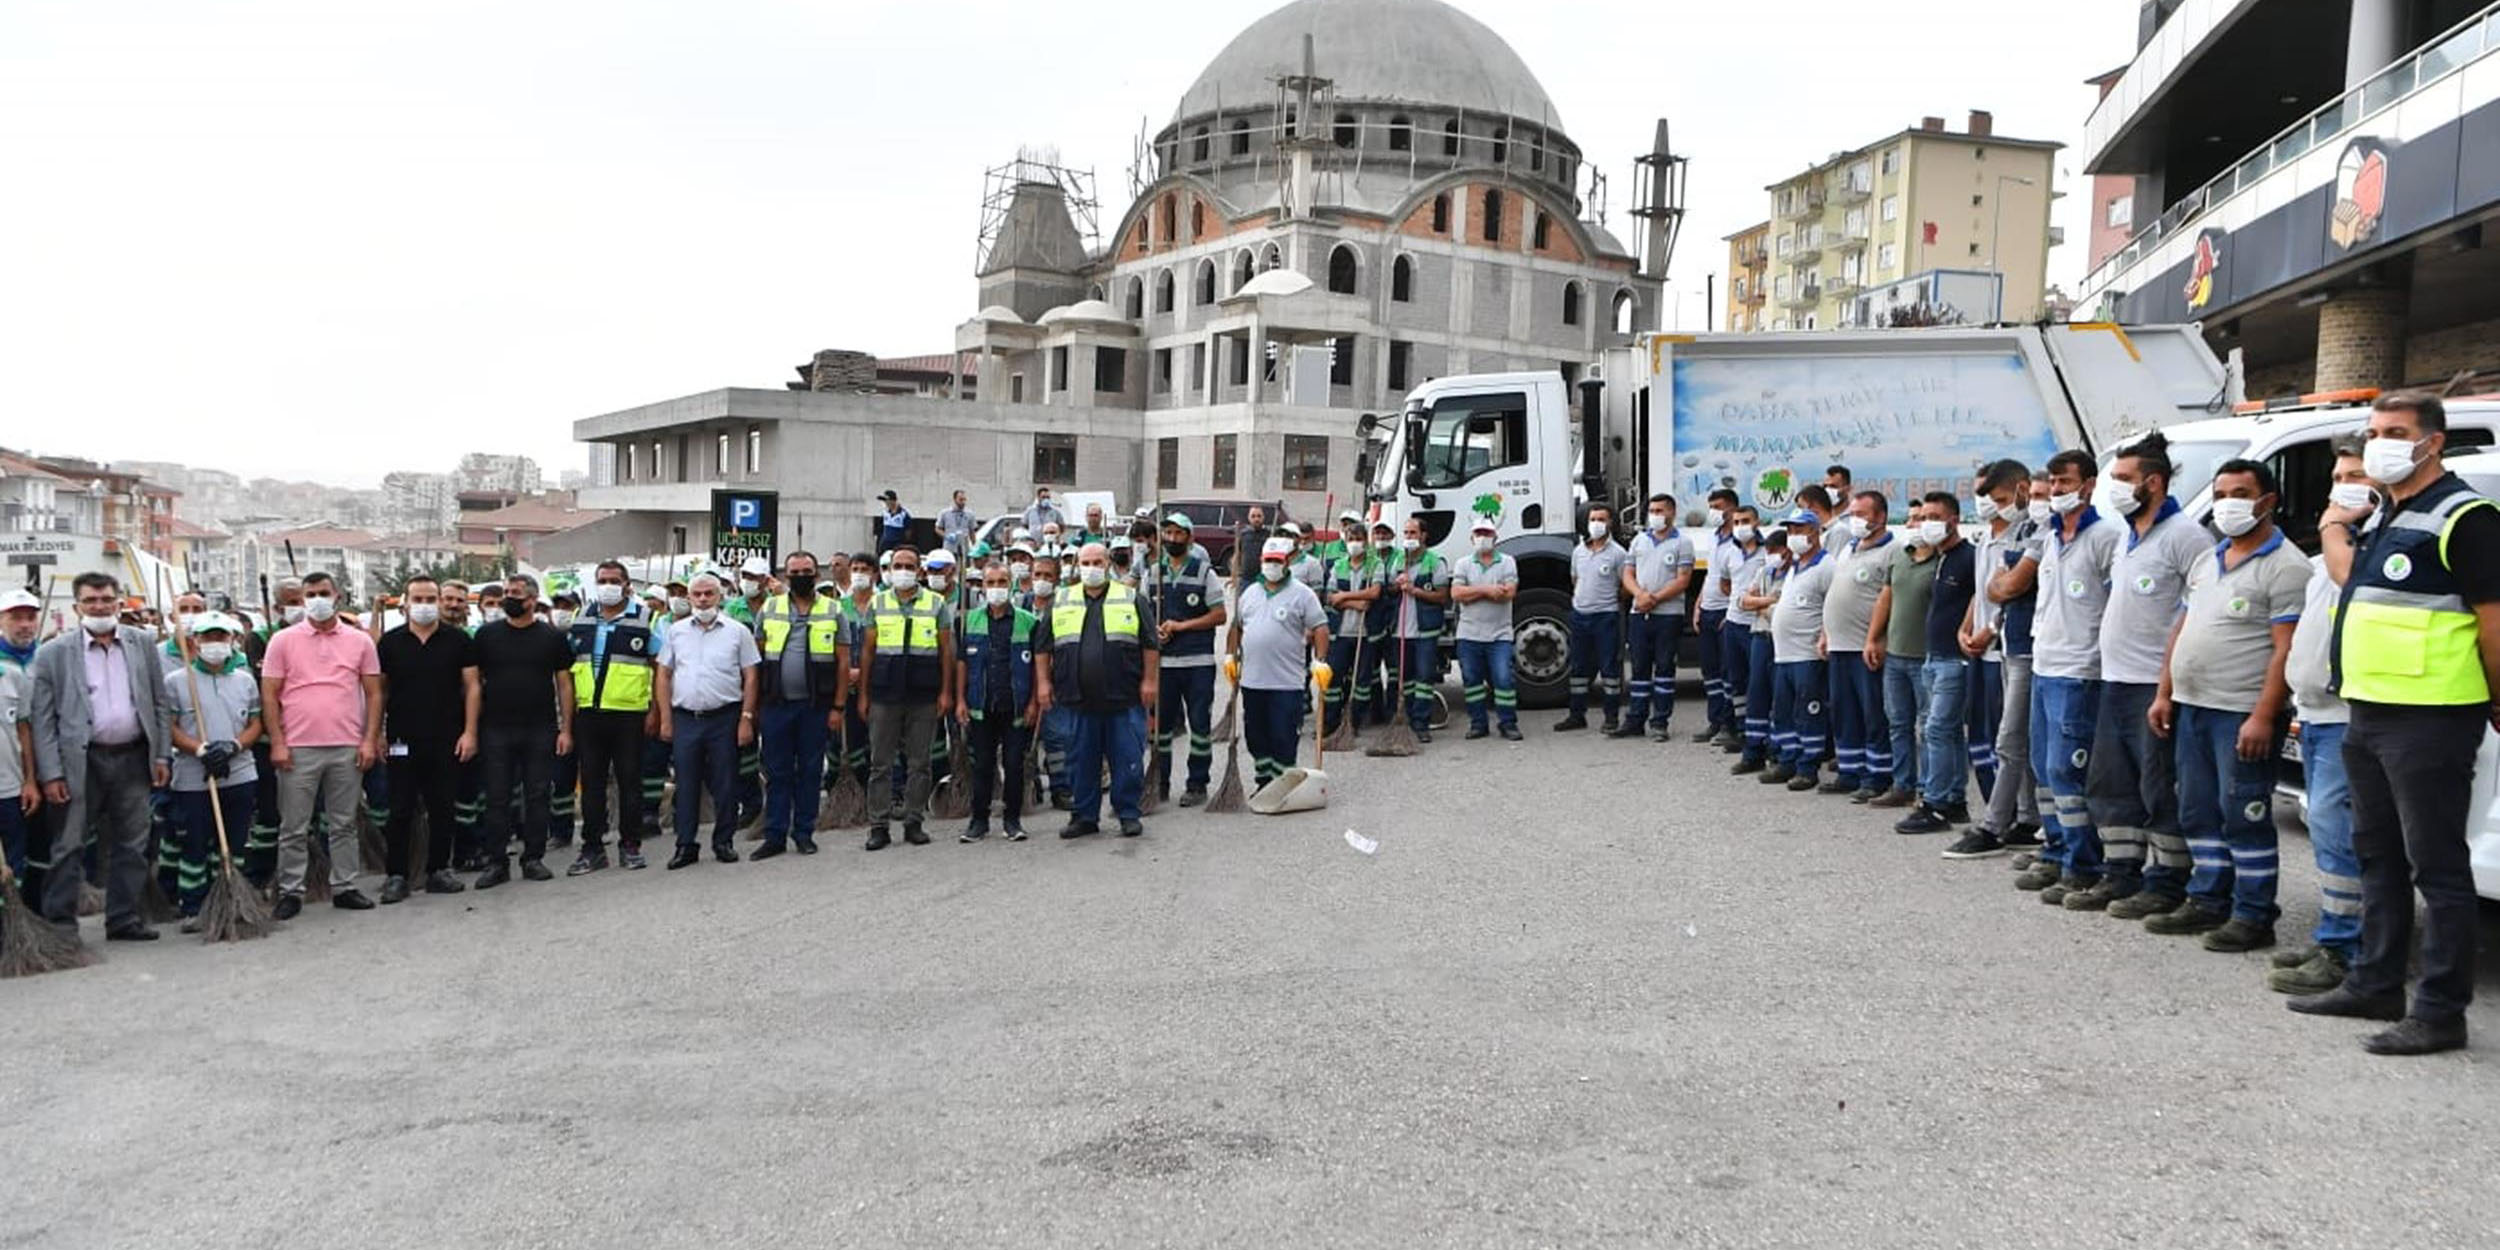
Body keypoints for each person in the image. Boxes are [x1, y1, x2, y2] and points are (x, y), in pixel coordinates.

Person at [2291, 392, 2500, 1055]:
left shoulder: (2467, 517)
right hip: (2370, 710)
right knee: (2376, 854)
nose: (2380, 442)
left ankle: (2440, 1011)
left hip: (2433, 716)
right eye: (2376, 431)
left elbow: (2494, 620)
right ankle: (2375, 981)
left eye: (2395, 432)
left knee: (2437, 869)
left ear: (2431, 442)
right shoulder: (2388, 513)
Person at [2143, 458, 2309, 949]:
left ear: (2268, 501)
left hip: (2241, 713)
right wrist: (2164, 691)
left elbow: (2286, 648)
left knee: (2244, 813)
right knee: (2197, 809)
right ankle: (2207, 899)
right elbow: (2183, 629)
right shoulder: (2209, 558)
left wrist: (2263, 715)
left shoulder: (2287, 566)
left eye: (2240, 492)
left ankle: (2254, 913)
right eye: (2221, 493)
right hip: (2192, 706)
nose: (2227, 503)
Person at [2069, 432, 2207, 917]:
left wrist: (2167, 688)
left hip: (2153, 684)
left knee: (2158, 786)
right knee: (2111, 782)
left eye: (2124, 479)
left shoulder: (2185, 536)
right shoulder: (2130, 534)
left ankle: (2167, 880)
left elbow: (2196, 611)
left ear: (2153, 481)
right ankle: (2120, 873)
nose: (2115, 488)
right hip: (2116, 680)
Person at [2270, 440, 2370, 995]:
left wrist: (2335, 531)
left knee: (2340, 827)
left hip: (2350, 714)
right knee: (2325, 828)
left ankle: (2348, 949)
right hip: (2314, 712)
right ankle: (2336, 937)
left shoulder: (2368, 554)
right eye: (2337, 476)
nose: (2341, 487)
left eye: (2354, 474)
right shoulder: (2318, 563)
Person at [28, 572, 174, 940]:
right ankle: (61, 922)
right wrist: (51, 774)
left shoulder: (142, 644)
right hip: (80, 761)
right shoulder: (53, 654)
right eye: (91, 601)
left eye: (106, 600)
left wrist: (162, 756)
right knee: (69, 842)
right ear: (77, 606)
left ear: (119, 602)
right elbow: (43, 721)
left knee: (133, 843)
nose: (99, 607)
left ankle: (123, 918)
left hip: (133, 758)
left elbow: (158, 703)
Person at [2013, 450, 2123, 905]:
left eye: (2064, 482)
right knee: (2043, 766)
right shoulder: (2054, 537)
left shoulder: (2105, 537)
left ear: (2090, 484)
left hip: (2080, 671)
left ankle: (2083, 863)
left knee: (2068, 770)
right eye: (2053, 482)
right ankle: (2056, 847)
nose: (2056, 491)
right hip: (2045, 664)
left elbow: (2115, 607)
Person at [260, 570, 382, 916]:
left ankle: (345, 885)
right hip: (298, 748)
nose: (316, 600)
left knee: (344, 822)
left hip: (347, 744)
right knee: (294, 826)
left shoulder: (360, 642)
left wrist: (369, 740)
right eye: (309, 594)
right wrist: (278, 743)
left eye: (322, 593)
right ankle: (292, 891)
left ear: (337, 596)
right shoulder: (282, 640)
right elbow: (269, 695)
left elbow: (373, 694)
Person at [1947, 464, 2046, 860]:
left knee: (2010, 740)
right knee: (2010, 739)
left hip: (2027, 649)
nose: (1993, 506)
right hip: (2007, 643)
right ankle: (2026, 817)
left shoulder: (2038, 533)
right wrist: (1975, 622)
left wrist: (1997, 602)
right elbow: (1992, 588)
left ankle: (1994, 824)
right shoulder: (2014, 535)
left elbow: (2011, 585)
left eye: (2002, 499)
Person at [1036, 543, 1158, 838]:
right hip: (1076, 699)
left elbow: (1150, 644)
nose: (1092, 567)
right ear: (1078, 566)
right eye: (1086, 562)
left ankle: (1128, 813)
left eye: (1097, 561)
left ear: (1107, 564)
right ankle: (1084, 816)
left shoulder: (1131, 598)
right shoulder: (1062, 600)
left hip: (1124, 697)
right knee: (1080, 761)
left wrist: (1150, 682)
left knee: (1127, 758)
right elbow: (1042, 647)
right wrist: (1043, 683)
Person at [374, 575, 479, 901]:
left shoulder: (458, 640)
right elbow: (378, 691)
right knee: (401, 809)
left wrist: (470, 732)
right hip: (402, 738)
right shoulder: (389, 644)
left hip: (447, 737)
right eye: (417, 599)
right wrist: (376, 733)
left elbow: (472, 687)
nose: (424, 606)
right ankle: (396, 875)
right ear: (405, 603)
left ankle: (438, 870)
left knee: (443, 807)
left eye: (430, 599)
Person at [470, 573, 573, 888]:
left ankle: (533, 858)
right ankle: (497, 862)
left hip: (539, 729)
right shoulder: (486, 636)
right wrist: (471, 730)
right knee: (497, 797)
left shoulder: (551, 637)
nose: (508, 598)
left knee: (538, 795)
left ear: (531, 600)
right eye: (506, 592)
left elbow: (564, 684)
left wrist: (565, 729)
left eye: (515, 593)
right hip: (496, 729)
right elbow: (474, 683)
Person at [562, 562, 660, 875]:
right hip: (588, 713)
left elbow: (660, 669)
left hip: (630, 714)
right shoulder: (582, 617)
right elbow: (567, 666)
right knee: (591, 784)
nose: (607, 585)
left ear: (627, 584)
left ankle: (630, 844)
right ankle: (592, 847)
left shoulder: (646, 618)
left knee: (630, 782)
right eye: (602, 580)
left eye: (614, 580)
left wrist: (655, 711)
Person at [163, 612, 261, 925]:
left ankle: (233, 898)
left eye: (221, 637)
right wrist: (200, 749)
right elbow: (171, 726)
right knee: (195, 840)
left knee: (235, 841)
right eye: (208, 638)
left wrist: (234, 746)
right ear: (194, 642)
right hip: (194, 776)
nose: (215, 644)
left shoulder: (245, 680)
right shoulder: (178, 681)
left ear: (232, 641)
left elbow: (256, 723)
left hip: (240, 770)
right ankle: (193, 905)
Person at [654, 573, 757, 869]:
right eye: (697, 594)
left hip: (725, 716)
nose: (702, 600)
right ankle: (686, 845)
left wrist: (746, 719)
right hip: (686, 718)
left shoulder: (737, 632)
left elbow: (751, 676)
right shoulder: (676, 632)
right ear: (689, 597)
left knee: (725, 783)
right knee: (686, 785)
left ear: (719, 595)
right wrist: (665, 718)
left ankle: (723, 841)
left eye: (708, 594)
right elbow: (663, 674)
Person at [857, 546, 956, 850]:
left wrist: (945, 692)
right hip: (885, 694)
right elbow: (868, 652)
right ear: (888, 570)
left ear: (920, 570)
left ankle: (914, 821)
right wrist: (863, 694)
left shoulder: (936, 604)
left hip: (923, 694)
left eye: (909, 565)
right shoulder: (878, 602)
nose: (902, 570)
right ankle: (879, 825)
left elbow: (946, 653)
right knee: (880, 764)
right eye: (897, 565)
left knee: (920, 763)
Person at [1895, 494, 1979, 835]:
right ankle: (1955, 799)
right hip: (1934, 656)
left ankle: (1936, 803)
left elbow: (1980, 595)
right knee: (1943, 732)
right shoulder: (1941, 559)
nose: (1926, 522)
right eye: (1923, 515)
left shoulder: (1968, 557)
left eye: (1934, 516)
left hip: (1953, 660)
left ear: (1954, 519)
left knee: (1937, 730)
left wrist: (1966, 628)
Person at [755, 552, 843, 858]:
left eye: (807, 571)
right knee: (777, 772)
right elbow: (757, 658)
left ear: (816, 575)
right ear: (786, 576)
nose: (801, 576)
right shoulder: (770, 607)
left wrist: (838, 707)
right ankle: (775, 835)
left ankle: (804, 832)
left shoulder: (833, 609)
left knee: (809, 771)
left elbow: (843, 663)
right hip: (776, 705)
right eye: (795, 572)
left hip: (815, 707)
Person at [1226, 537, 1330, 788]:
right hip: (1253, 680)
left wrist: (1320, 660)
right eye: (1267, 561)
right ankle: (1264, 781)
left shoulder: (1302, 594)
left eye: (1276, 561)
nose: (1271, 565)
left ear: (1287, 563)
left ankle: (1283, 782)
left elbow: (1320, 626)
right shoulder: (1250, 593)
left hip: (1287, 681)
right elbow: (1237, 627)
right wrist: (1231, 656)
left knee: (1283, 735)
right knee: (1256, 735)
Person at [956, 562, 1041, 842]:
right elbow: (962, 664)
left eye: (1002, 582)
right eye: (990, 583)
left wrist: (1033, 704)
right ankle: (978, 820)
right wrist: (960, 700)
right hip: (981, 705)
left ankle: (1012, 820)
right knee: (981, 765)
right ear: (981, 586)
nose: (996, 588)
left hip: (1015, 706)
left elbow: (1037, 667)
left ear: (1012, 584)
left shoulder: (1028, 621)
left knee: (1015, 764)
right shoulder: (970, 620)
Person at [1821, 490, 1895, 800]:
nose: (1855, 521)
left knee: (1873, 713)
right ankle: (1849, 771)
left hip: (1865, 647)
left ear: (1881, 517)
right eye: (1852, 514)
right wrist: (1825, 634)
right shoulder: (1849, 548)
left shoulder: (1892, 550)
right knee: (1844, 711)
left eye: (1862, 515)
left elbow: (1888, 598)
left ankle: (1877, 775)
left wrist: (1874, 638)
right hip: (1839, 646)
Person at [1866, 501, 1939, 809]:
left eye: (1922, 519)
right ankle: (1902, 785)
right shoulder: (1899, 554)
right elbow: (1887, 597)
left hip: (1926, 658)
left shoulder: (1941, 561)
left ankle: (1927, 789)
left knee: (1927, 727)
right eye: (1911, 519)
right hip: (1895, 656)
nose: (1915, 525)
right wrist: (1873, 638)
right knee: (1898, 723)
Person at [1152, 514, 1225, 805]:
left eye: (1178, 533)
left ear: (1190, 538)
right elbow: (1146, 612)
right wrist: (1155, 631)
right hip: (1164, 665)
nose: (1171, 538)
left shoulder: (1204, 572)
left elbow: (1220, 615)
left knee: (1199, 725)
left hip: (1197, 662)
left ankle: (1197, 784)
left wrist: (1181, 626)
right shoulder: (1153, 572)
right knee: (1163, 729)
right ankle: (1159, 782)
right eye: (1167, 532)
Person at [1763, 510, 1834, 789]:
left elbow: (1833, 604)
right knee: (1783, 711)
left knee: (1809, 712)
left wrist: (1825, 636)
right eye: (1790, 531)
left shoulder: (1826, 565)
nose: (1793, 536)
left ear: (1815, 532)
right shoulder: (1795, 566)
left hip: (1807, 654)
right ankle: (1787, 760)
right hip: (1784, 654)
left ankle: (1808, 766)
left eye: (1799, 530)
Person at [1616, 493, 1695, 741]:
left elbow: (1683, 579)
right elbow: (1628, 573)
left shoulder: (1683, 542)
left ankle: (1660, 721)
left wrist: (1655, 599)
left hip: (1667, 615)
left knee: (1664, 669)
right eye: (1652, 510)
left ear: (1672, 512)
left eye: (1660, 511)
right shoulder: (1639, 540)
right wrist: (1639, 595)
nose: (1655, 515)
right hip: (1640, 614)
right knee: (1639, 668)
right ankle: (1635, 720)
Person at [1449, 518, 1523, 741]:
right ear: (1472, 538)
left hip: (1500, 634)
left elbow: (1508, 593)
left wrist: (1473, 592)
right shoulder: (1463, 563)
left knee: (1503, 679)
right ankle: (1478, 724)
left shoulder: (1508, 562)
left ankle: (1508, 723)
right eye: (1478, 533)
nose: (1483, 538)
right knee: (1472, 680)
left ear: (1495, 537)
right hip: (1469, 634)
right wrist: (1488, 590)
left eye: (1487, 533)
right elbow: (1456, 594)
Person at [1558, 504, 1625, 733]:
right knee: (1578, 668)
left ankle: (1611, 717)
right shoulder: (1579, 551)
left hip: (1605, 617)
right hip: (1580, 616)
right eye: (1593, 518)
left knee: (1609, 667)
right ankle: (1576, 715)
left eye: (1601, 519)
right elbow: (1575, 580)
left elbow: (1623, 587)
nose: (1596, 523)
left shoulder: (1618, 554)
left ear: (1610, 523)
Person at [1388, 514, 1450, 743]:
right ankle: (1404, 718)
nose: (1408, 537)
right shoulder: (1398, 560)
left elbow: (1443, 596)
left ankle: (1421, 722)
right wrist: (1396, 586)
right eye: (1406, 533)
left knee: (1424, 678)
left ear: (1424, 536)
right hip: (1400, 630)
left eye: (1413, 533)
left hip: (1425, 630)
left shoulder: (1435, 562)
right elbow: (1390, 591)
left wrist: (1416, 591)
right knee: (1405, 678)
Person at [1322, 521, 1387, 738]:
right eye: (1351, 539)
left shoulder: (1375, 564)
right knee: (1333, 679)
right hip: (1340, 632)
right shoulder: (1338, 565)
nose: (1355, 544)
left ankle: (1354, 721)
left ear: (1366, 542)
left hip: (1365, 633)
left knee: (1361, 681)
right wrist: (1353, 602)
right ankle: (1330, 722)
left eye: (1359, 539)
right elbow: (1331, 597)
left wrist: (1344, 596)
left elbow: (1375, 593)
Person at [1722, 508, 1773, 767]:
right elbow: (1725, 583)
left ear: (1757, 522)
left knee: (1758, 684)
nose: (1741, 526)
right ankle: (1743, 731)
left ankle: (1764, 738)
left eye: (1746, 521)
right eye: (1737, 522)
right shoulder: (1729, 551)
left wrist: (1752, 604)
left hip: (1756, 625)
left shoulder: (1768, 552)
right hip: (1733, 622)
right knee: (1736, 681)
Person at [1693, 489, 1742, 745]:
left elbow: (1742, 581)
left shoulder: (1739, 540)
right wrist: (1699, 604)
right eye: (1710, 505)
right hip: (1708, 610)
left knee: (1728, 671)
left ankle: (1729, 724)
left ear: (1733, 507)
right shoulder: (1714, 538)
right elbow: (1711, 576)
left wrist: (1731, 612)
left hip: (1726, 612)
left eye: (1719, 506)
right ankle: (1715, 721)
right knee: (1710, 671)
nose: (1713, 511)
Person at [1, 588, 40, 883]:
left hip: (16, 781)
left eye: (30, 618)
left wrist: (29, 779)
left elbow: (22, 726)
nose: (24, 624)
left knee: (21, 854)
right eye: (16, 618)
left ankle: (24, 914)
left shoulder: (46, 658)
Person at [939, 489, 978, 554]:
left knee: (963, 563)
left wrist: (975, 547)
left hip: (964, 548)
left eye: (964, 500)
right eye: (960, 500)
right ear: (954, 499)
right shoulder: (945, 513)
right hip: (949, 548)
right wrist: (946, 536)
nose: (963, 502)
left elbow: (972, 532)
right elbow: (938, 529)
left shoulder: (970, 514)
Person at [877, 489, 912, 554]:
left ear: (893, 501)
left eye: (887, 500)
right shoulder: (885, 513)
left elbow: (908, 533)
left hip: (897, 544)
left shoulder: (903, 514)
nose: (886, 503)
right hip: (885, 543)